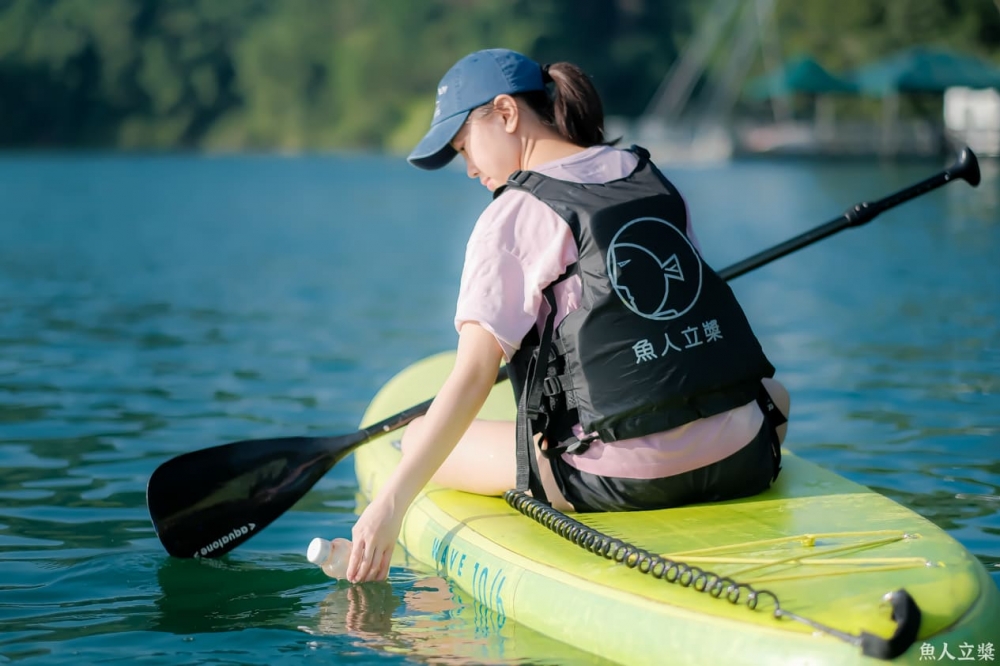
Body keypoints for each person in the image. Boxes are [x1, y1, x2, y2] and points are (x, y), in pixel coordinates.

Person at [345, 48, 791, 584]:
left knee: (417, 439)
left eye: (466, 146)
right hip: (749, 450)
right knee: (777, 394)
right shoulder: (647, 175)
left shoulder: (511, 214)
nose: (469, 169)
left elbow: (472, 376)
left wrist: (391, 504)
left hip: (618, 483)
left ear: (507, 114)